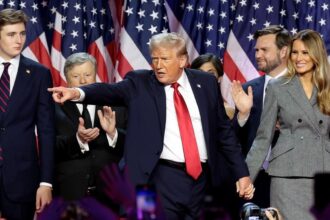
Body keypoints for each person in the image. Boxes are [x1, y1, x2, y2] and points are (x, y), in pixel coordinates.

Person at [48, 32, 254, 219]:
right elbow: (109, 91)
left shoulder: (205, 84)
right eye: (154, 59)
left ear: (182, 60)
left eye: (164, 59)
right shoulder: (140, 83)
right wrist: (77, 93)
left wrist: (242, 173)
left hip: (202, 182)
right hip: (159, 178)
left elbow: (223, 133)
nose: (158, 65)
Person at [245, 29, 330, 220]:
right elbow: (263, 138)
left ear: (316, 54)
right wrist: (246, 177)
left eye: (305, 52)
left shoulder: (328, 87)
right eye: (295, 52)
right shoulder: (277, 86)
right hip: (287, 176)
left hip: (323, 173)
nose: (299, 58)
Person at [0, 9, 55, 219]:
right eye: (11, 34)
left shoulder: (39, 74)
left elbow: (47, 130)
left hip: (22, 179)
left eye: (22, 33)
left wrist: (46, 182)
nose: (19, 40)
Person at [54, 53, 127, 209]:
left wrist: (113, 133)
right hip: (69, 195)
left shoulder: (116, 106)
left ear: (96, 75)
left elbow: (133, 145)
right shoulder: (54, 108)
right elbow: (48, 147)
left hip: (109, 196)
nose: (83, 81)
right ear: (66, 79)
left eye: (88, 75)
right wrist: (77, 140)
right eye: (76, 76)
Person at [231, 25, 291, 209]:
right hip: (254, 179)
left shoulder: (303, 87)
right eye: (256, 49)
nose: (257, 55)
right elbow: (233, 140)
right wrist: (242, 114)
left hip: (292, 181)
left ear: (283, 51)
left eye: (264, 50)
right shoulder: (248, 89)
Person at [190, 53, 235, 119]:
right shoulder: (182, 104)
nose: (204, 77)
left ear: (219, 78)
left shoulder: (228, 111)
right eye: (200, 73)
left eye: (210, 74)